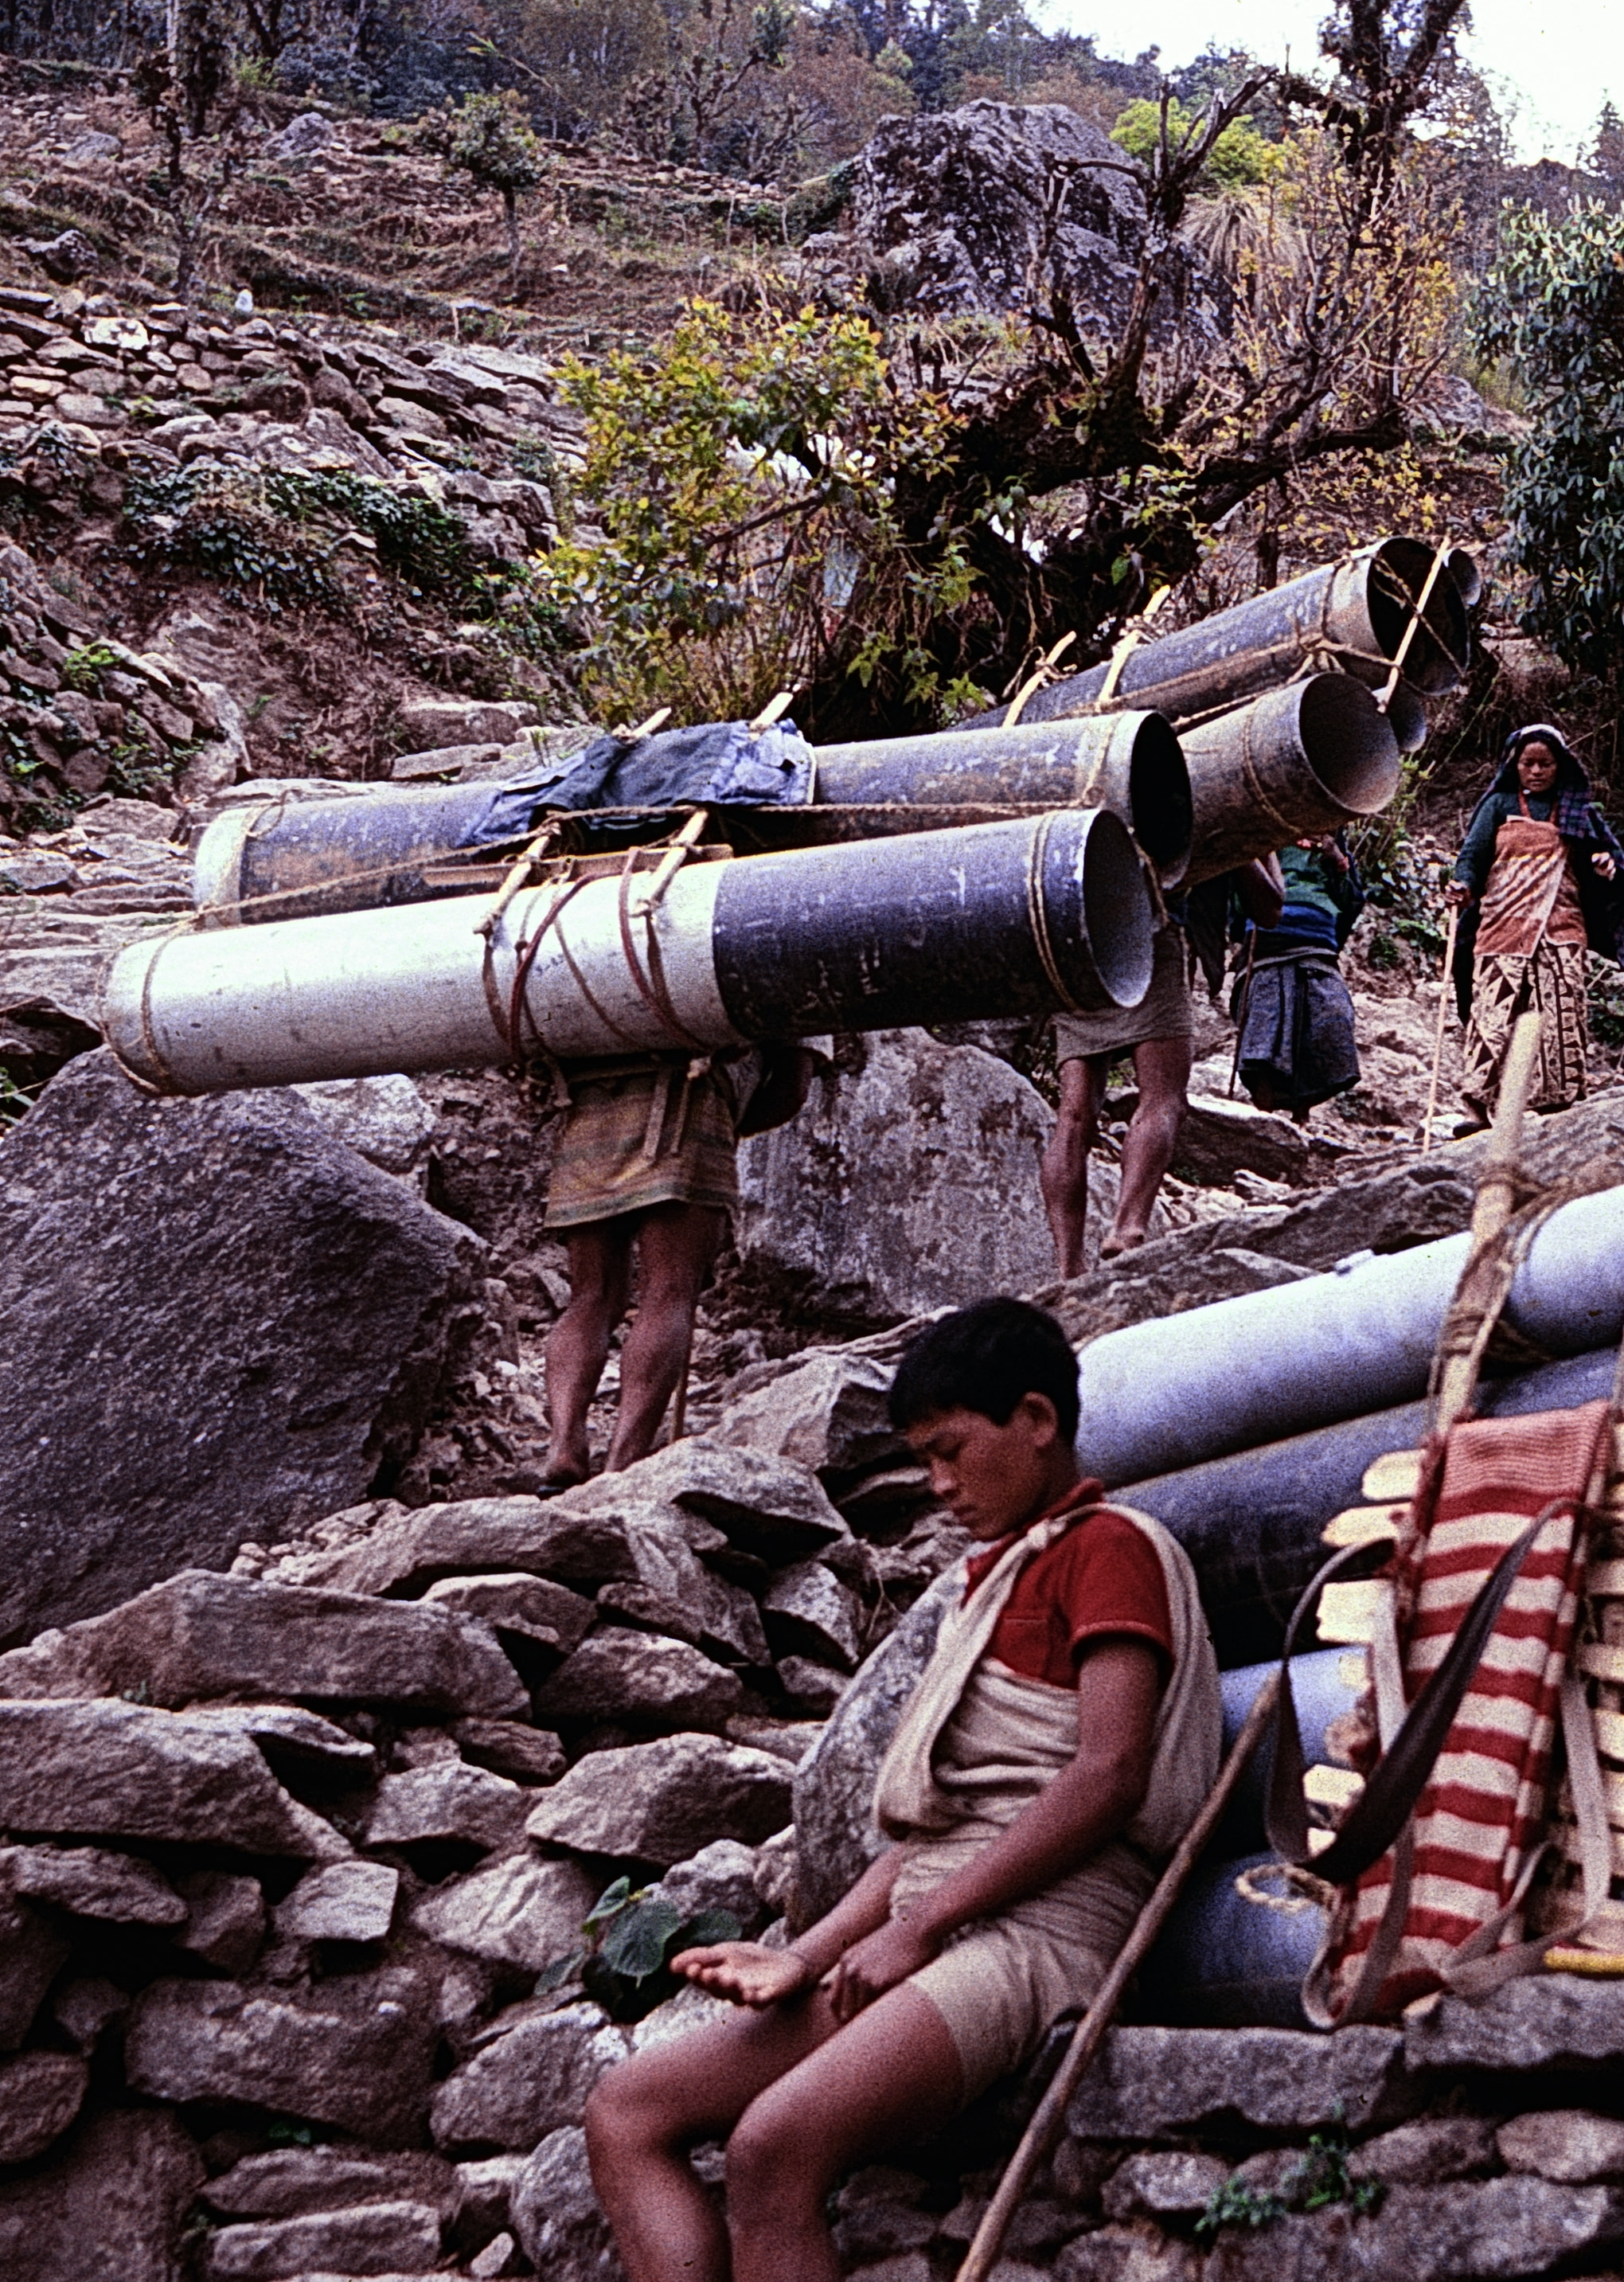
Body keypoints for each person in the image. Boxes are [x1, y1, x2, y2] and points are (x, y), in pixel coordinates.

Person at [583, 1298, 1221, 2282]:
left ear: (1039, 1421)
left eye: (953, 1450)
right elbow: (937, 1839)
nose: (939, 1485)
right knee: (628, 2110)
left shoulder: (1108, 1550)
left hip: (1037, 1937)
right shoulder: (992, 1580)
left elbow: (1107, 1774)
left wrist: (920, 1929)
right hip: (942, 1920)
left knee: (772, 2149)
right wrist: (807, 1953)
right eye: (923, 1460)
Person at [539, 1045, 812, 1489]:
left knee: (591, 1296)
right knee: (668, 1290)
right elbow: (790, 1089)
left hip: (587, 1113)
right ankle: (621, 1466)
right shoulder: (795, 977)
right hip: (694, 1106)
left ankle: (563, 1447)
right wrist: (726, 1120)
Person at [1446, 722, 1624, 1129]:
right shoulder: (1498, 805)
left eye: (1545, 764)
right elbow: (1473, 855)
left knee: (1562, 1012)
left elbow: (1608, 857)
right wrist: (1462, 884)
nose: (1536, 771)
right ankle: (1479, 1106)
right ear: (1514, 765)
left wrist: (1605, 865)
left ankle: (1560, 1098)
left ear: (1560, 766)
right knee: (1492, 1015)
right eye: (1528, 763)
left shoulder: (1578, 810)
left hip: (1561, 926)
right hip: (1503, 924)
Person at [1039, 901, 1196, 1281]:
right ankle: (1127, 1229)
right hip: (1146, 936)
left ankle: (1069, 1267)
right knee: (1162, 1097)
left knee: (1073, 1117)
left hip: (1069, 943)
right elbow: (1269, 906)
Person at [1234, 832, 1366, 1116]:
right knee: (1265, 1037)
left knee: (1328, 1020)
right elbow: (1239, 894)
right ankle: (1262, 1122)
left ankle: (1300, 1116)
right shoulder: (1263, 831)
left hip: (1316, 944)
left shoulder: (1330, 840)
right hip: (1267, 945)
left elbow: (1349, 900)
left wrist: (1339, 861)